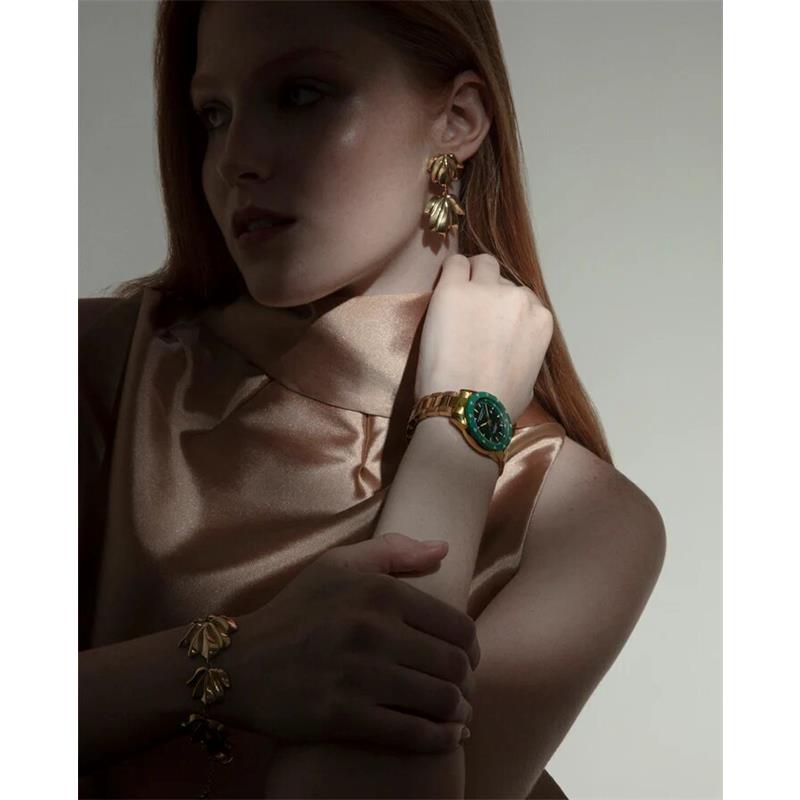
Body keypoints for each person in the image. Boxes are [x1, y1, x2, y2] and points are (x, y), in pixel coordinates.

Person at [78, 2, 666, 798]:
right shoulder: (94, 368)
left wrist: (456, 432)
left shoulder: (582, 521)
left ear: (458, 120)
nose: (234, 158)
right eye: (214, 114)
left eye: (300, 94)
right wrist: (235, 662)